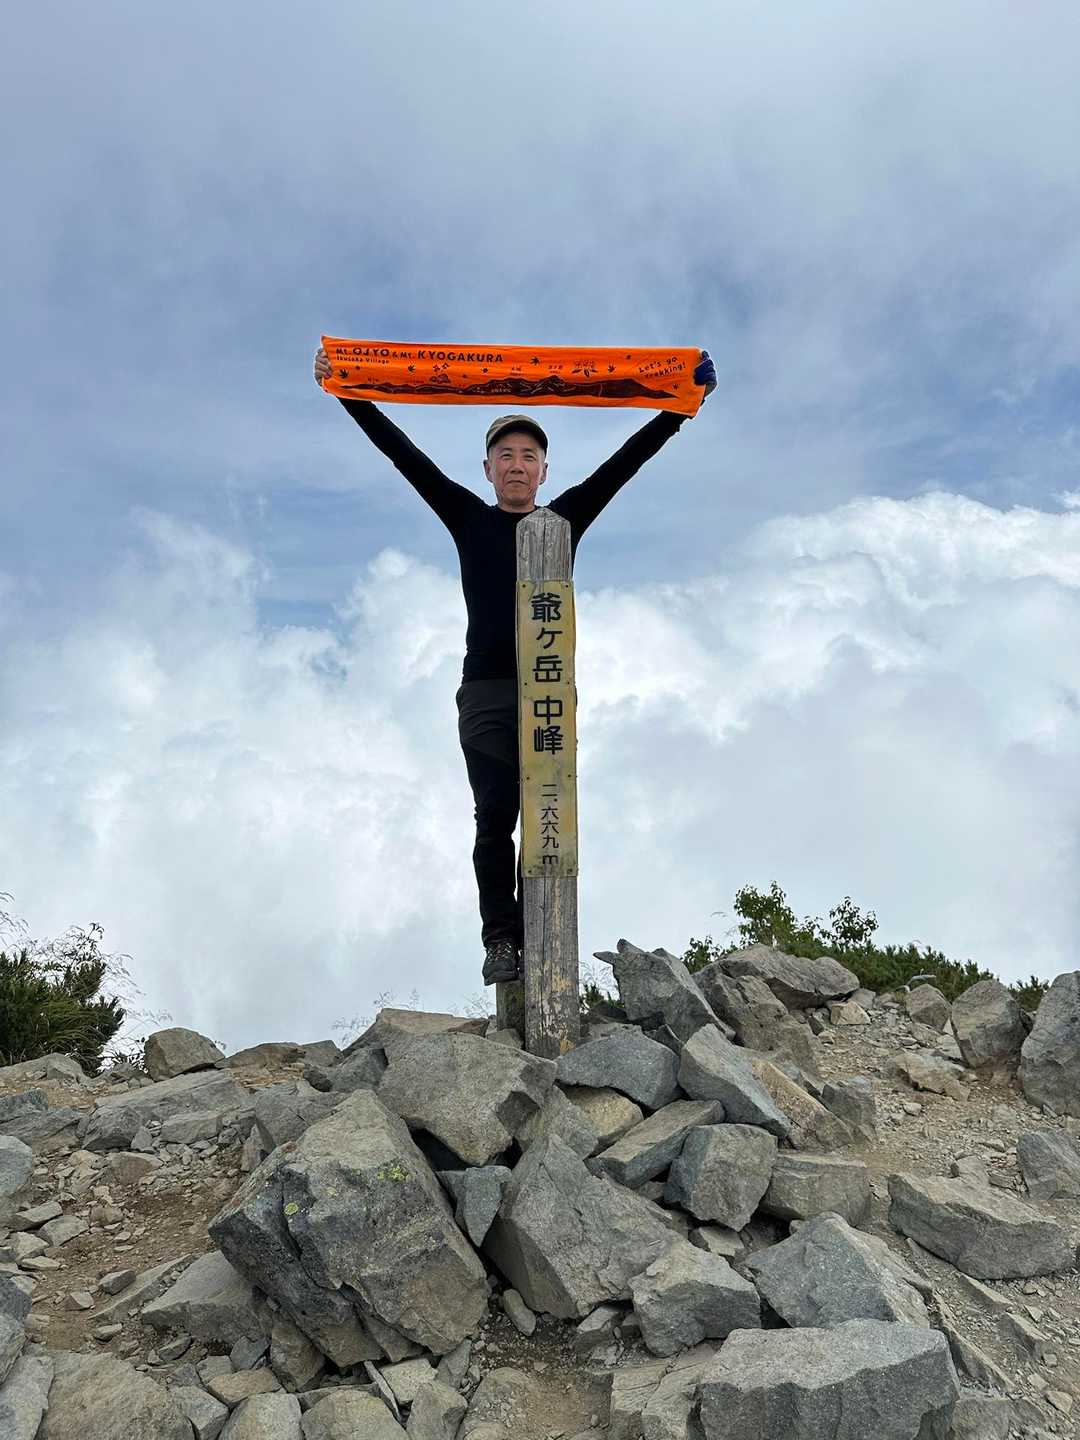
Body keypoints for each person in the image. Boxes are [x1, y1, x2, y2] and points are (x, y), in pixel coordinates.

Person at [313, 345, 717, 985]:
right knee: (495, 817)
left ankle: (543, 937)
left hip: (548, 694)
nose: (517, 465)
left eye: (529, 456)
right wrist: (347, 391)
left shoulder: (564, 521)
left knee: (548, 819)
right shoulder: (468, 519)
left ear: (544, 470)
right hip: (486, 695)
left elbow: (624, 465)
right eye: (506, 455)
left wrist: (680, 409)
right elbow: (404, 456)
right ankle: (501, 941)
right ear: (488, 468)